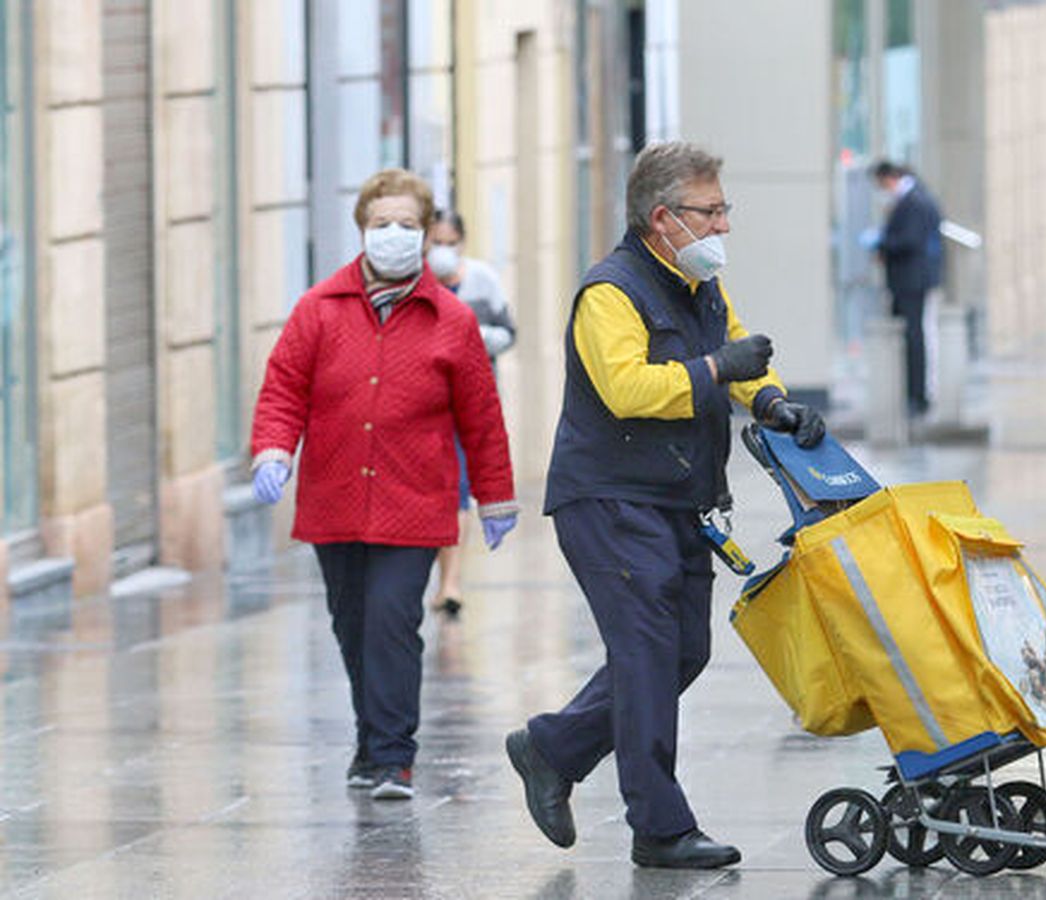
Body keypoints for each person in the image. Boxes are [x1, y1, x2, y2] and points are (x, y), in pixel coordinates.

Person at [505, 141, 826, 870]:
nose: (723, 228)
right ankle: (660, 827)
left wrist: (772, 401)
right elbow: (627, 389)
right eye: (709, 213)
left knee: (683, 649)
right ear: (662, 218)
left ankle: (553, 747)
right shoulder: (610, 293)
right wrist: (718, 370)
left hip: (678, 497)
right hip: (611, 497)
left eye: (724, 210)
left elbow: (737, 349)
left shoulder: (698, 282)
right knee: (648, 650)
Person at [250, 168, 518, 800]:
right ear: (362, 230)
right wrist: (272, 451)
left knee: (392, 623)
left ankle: (395, 757)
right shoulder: (318, 310)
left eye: (406, 225)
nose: (392, 236)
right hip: (334, 499)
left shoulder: (450, 320)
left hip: (414, 500)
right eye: (380, 225)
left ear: (425, 236)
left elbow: (481, 417)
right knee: (351, 624)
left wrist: (495, 496)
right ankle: (370, 745)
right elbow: (284, 387)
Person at [425, 210, 517, 619]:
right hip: (424, 409)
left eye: (450, 242)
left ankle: (451, 582)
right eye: (434, 242)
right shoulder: (413, 282)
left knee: (458, 491)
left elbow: (509, 331)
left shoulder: (481, 280)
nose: (442, 251)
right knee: (434, 494)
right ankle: (438, 579)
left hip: (467, 403)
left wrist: (475, 338)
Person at [872, 160, 944, 417]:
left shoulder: (913, 201)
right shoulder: (917, 198)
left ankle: (916, 395)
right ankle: (913, 393)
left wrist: (883, 245)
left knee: (914, 336)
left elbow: (910, 240)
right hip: (910, 279)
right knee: (913, 335)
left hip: (911, 280)